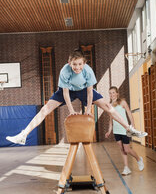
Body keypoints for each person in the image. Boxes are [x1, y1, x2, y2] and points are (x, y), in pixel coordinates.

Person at [6, 50, 147, 146]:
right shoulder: (65, 71)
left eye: (80, 64)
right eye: (74, 64)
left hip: (84, 90)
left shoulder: (88, 71)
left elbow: (90, 93)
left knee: (108, 107)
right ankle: (23, 134)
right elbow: (66, 94)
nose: (77, 67)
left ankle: (128, 128)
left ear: (84, 63)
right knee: (45, 109)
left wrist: (88, 109)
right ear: (69, 63)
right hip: (66, 91)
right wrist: (72, 110)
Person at [105, 86, 145, 175]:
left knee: (127, 149)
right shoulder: (109, 105)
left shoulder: (122, 102)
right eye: (110, 93)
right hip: (116, 131)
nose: (112, 94)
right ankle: (126, 168)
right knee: (122, 149)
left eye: (113, 92)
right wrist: (109, 131)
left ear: (117, 93)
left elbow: (129, 113)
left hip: (125, 130)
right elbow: (111, 120)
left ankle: (139, 159)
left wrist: (133, 126)